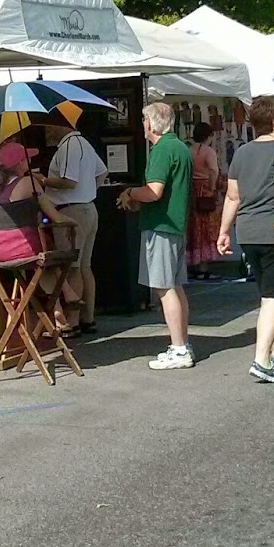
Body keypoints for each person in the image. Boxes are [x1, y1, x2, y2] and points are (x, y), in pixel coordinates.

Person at [217, 95, 274, 383]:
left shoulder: (241, 153)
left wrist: (224, 231)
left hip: (248, 232)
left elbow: (232, 196)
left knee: (268, 296)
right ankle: (261, 359)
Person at [118, 102, 195, 368]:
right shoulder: (181, 147)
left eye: (142, 120)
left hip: (161, 226)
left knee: (164, 288)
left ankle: (179, 349)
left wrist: (129, 193)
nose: (142, 125)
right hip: (174, 224)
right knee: (175, 286)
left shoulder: (162, 149)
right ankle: (182, 344)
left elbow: (153, 191)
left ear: (151, 123)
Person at [0, 139, 79, 315]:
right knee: (47, 251)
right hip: (26, 250)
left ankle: (59, 313)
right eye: (27, 158)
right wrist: (74, 222)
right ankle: (65, 296)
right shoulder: (28, 183)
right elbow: (56, 217)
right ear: (20, 162)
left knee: (45, 256)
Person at [42, 122, 108, 335]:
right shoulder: (84, 143)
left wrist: (42, 179)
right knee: (85, 266)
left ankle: (72, 323)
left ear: (62, 126)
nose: (46, 131)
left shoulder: (69, 145)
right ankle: (87, 318)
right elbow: (102, 172)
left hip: (71, 211)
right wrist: (89, 193)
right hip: (88, 208)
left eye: (49, 126)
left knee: (72, 267)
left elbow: (68, 181)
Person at [186, 122, 225, 280]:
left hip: (191, 191)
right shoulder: (208, 151)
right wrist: (212, 188)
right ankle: (204, 267)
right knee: (207, 227)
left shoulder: (188, 150)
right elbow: (213, 171)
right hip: (205, 191)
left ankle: (192, 265)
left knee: (193, 227)